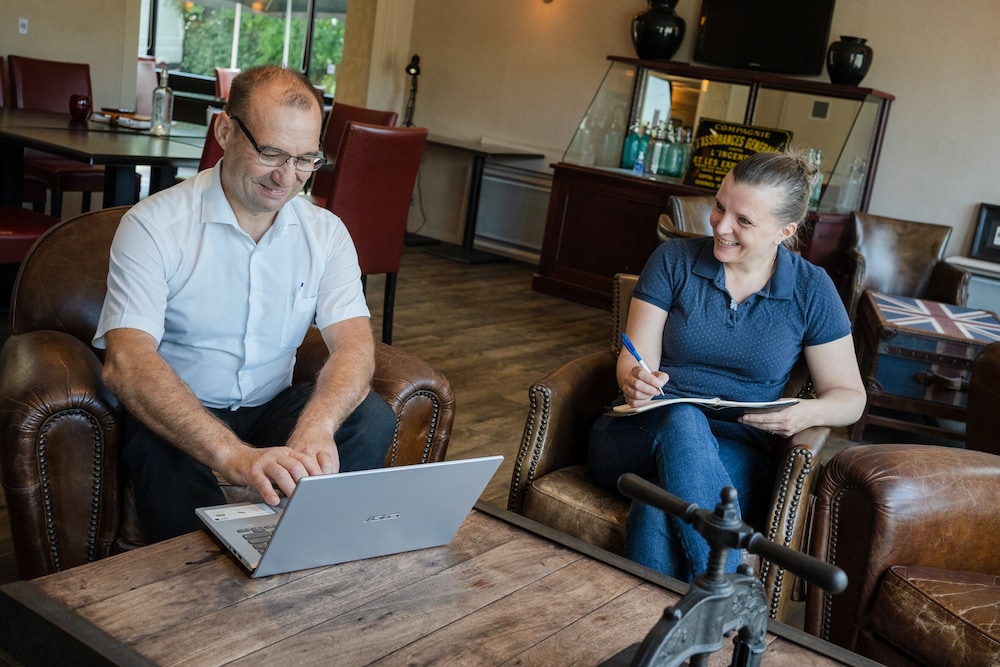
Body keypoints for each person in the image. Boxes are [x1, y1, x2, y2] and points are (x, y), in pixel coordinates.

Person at [94, 66, 396, 542]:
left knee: (371, 418)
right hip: (183, 407)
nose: (286, 177)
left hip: (271, 405)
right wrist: (233, 456)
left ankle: (310, 548)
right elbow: (126, 363)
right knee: (159, 447)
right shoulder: (153, 225)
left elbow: (354, 346)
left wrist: (316, 428)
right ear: (225, 131)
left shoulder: (326, 234)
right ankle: (202, 574)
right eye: (270, 153)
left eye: (305, 159)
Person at [587, 150, 867, 581]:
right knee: (683, 417)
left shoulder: (811, 289)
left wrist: (805, 412)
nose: (720, 226)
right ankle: (732, 594)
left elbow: (851, 399)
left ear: (785, 231)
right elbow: (634, 356)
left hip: (738, 451)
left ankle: (651, 623)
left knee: (658, 503)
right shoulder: (674, 260)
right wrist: (634, 379)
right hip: (635, 434)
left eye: (744, 220)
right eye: (720, 206)